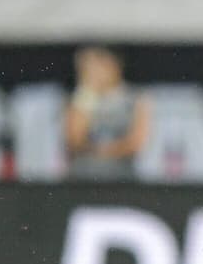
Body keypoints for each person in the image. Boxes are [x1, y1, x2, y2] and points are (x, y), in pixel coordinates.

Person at [64, 46, 150, 180]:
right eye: (85, 68)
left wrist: (105, 152)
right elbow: (74, 140)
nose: (92, 72)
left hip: (122, 178)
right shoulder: (81, 97)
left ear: (114, 65)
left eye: (97, 65)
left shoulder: (135, 97)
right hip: (84, 177)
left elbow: (136, 142)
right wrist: (87, 94)